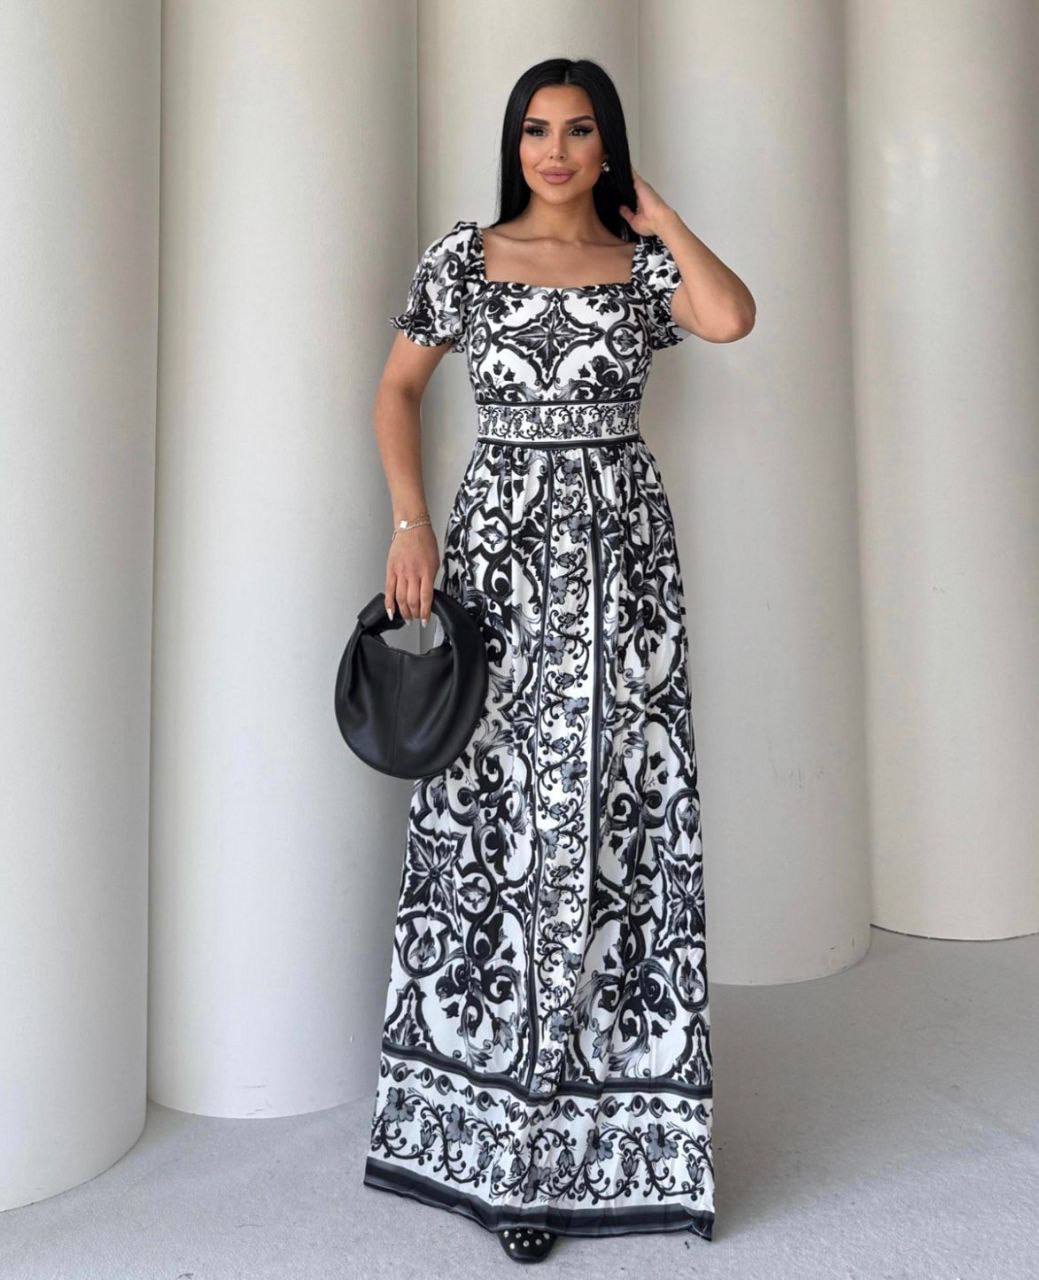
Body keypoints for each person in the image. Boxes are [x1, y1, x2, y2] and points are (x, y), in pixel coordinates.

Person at [361, 56, 755, 1263]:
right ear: (513, 141)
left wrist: (667, 216)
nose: (555, 150)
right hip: (499, 565)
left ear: (608, 148)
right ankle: (492, 1136)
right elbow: (396, 390)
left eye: (581, 131)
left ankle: (607, 1136)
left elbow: (730, 315)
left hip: (625, 568)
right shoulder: (463, 258)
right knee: (497, 827)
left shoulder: (642, 271)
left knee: (615, 822)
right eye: (536, 129)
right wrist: (411, 522)